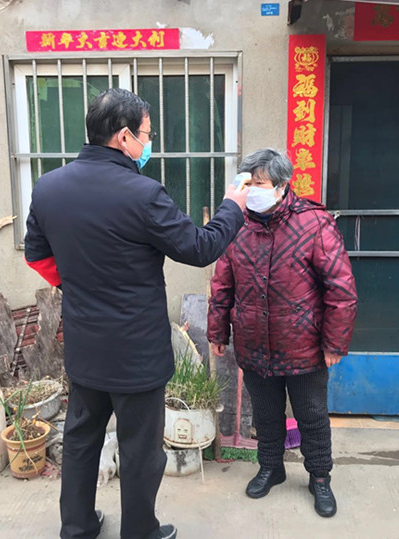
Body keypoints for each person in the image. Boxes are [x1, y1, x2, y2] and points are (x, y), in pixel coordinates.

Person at [24, 88, 248, 539]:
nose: (148, 143)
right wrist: (232, 208)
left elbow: (36, 255)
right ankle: (140, 531)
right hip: (137, 354)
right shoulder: (143, 194)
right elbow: (200, 248)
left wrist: (77, 287)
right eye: (147, 134)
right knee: (141, 449)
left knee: (81, 439)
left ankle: (77, 527)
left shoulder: (48, 187)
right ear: (124, 137)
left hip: (86, 347)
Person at [207, 148, 357, 518]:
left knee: (311, 415)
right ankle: (270, 468)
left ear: (281, 185)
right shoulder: (237, 224)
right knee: (266, 414)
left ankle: (319, 477)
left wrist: (334, 343)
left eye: (258, 184)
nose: (250, 191)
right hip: (254, 341)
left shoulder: (314, 224)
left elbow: (341, 289)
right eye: (246, 184)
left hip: (303, 345)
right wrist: (217, 331)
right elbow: (222, 284)